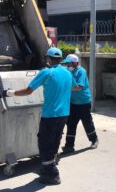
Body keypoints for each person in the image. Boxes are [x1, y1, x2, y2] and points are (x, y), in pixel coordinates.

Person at [0, 47, 76, 185]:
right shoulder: (67, 73)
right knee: (54, 142)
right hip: (64, 113)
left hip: (50, 114)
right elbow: (73, 87)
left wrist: (9, 93)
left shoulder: (46, 73)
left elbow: (29, 91)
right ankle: (47, 167)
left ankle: (52, 174)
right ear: (60, 59)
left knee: (44, 143)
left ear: (48, 58)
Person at [61, 54, 99, 153]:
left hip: (83, 102)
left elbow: (79, 87)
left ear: (75, 63)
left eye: (68, 63)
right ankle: (69, 146)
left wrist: (65, 88)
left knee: (87, 123)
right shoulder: (68, 71)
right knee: (71, 124)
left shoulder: (81, 71)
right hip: (73, 102)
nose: (67, 65)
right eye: (66, 63)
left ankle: (94, 140)